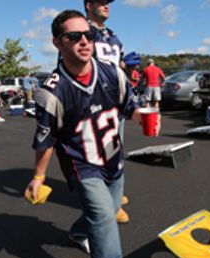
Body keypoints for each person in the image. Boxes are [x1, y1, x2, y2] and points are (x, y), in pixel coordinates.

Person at [25, 10, 157, 258]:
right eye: (74, 37)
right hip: (83, 165)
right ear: (58, 43)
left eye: (89, 35)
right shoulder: (53, 92)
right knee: (105, 220)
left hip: (113, 159)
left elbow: (129, 106)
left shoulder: (112, 74)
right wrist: (38, 177)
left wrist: (142, 117)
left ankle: (77, 232)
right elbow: (46, 140)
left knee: (105, 213)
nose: (84, 42)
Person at [84, 0, 131, 223]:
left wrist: (127, 65)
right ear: (88, 5)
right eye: (101, 2)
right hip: (94, 105)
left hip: (116, 103)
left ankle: (114, 196)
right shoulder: (81, 32)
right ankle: (107, 206)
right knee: (98, 157)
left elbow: (119, 64)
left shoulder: (114, 35)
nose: (107, 5)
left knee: (116, 152)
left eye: (108, 2)